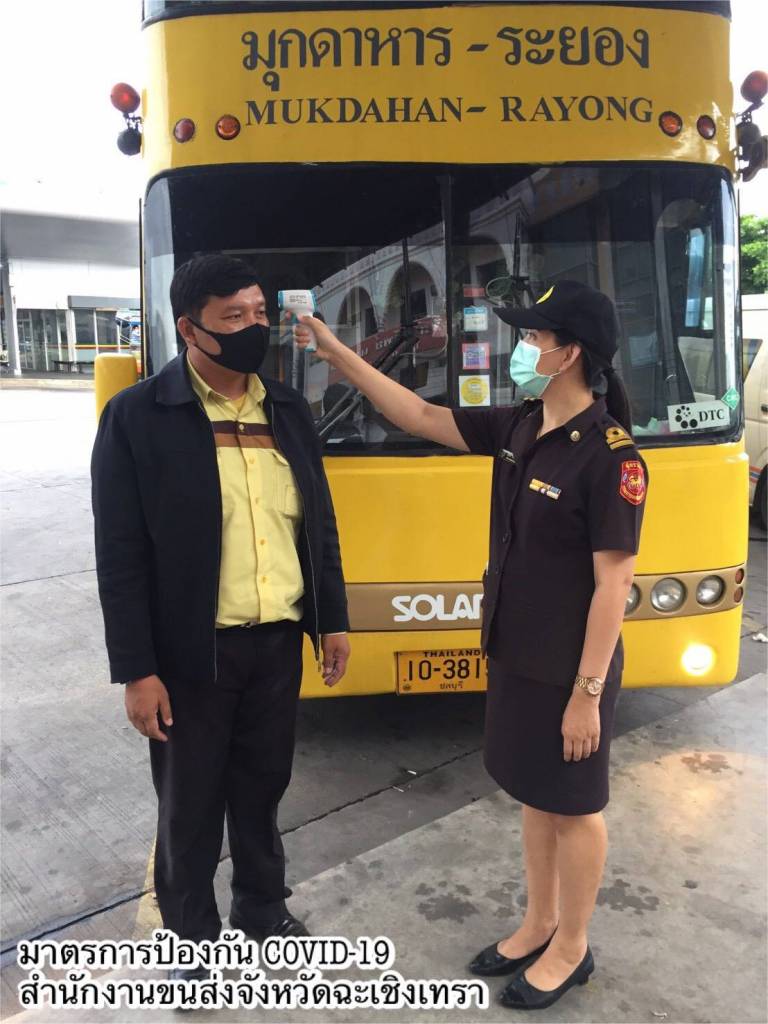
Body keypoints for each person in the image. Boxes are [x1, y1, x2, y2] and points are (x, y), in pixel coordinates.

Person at [292, 279, 647, 1012]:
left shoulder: (612, 457)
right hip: (516, 653)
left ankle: (573, 947)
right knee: (534, 795)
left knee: (575, 808)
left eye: (533, 338)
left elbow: (614, 586)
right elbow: (421, 414)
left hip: (570, 670)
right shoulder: (522, 425)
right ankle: (539, 922)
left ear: (569, 353)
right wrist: (333, 351)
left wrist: (586, 696)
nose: (523, 348)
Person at [91, 254, 350, 978]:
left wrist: (331, 619)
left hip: (276, 645)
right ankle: (191, 937)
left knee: (262, 790)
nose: (252, 328)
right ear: (190, 328)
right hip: (190, 656)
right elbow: (119, 556)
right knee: (190, 805)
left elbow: (318, 524)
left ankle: (262, 907)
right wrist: (137, 670)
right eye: (233, 317)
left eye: (260, 313)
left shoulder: (287, 410)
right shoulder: (139, 417)